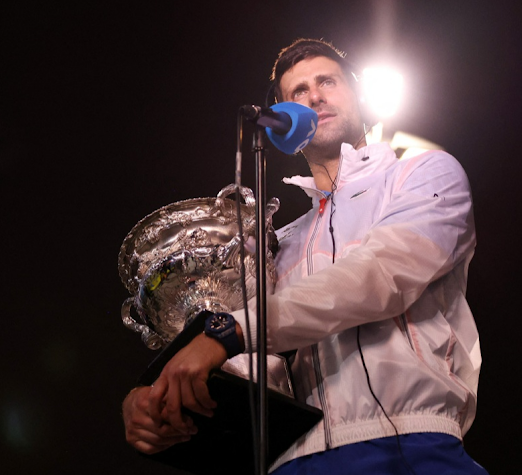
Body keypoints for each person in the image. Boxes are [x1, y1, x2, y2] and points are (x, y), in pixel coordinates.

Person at [122, 38, 487, 474]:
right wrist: (162, 396)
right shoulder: (277, 243)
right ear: (281, 122)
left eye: (327, 81)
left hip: (409, 444)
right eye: (298, 92)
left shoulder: (423, 173)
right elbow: (259, 373)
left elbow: (383, 275)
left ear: (358, 96)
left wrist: (229, 332)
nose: (314, 96)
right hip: (294, 461)